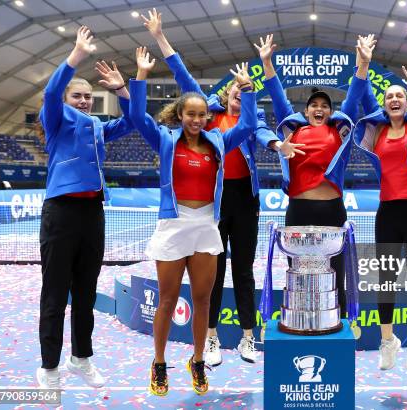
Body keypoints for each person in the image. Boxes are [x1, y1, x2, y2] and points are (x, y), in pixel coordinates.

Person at [140, 9, 291, 366]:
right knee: (215, 270)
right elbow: (183, 76)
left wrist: (275, 145)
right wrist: (161, 37)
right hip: (215, 202)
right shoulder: (205, 118)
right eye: (235, 92)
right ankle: (209, 341)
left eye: (244, 93)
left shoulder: (249, 120)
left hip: (244, 200)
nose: (238, 97)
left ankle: (248, 338)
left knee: (243, 269)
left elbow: (263, 130)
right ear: (225, 95)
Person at [128, 47, 257, 396]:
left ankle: (197, 360)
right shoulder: (166, 140)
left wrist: (247, 90)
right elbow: (138, 116)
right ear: (180, 114)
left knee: (202, 300)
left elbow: (247, 124)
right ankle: (158, 362)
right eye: (191, 114)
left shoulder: (217, 141)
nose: (197, 120)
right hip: (174, 225)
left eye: (202, 115)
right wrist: (140, 75)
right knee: (168, 300)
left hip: (205, 226)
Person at [36, 26, 134, 388]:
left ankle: (81, 358)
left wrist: (122, 90)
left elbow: (133, 120)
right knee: (55, 292)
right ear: (65, 98)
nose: (84, 101)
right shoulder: (56, 118)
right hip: (60, 214)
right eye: (77, 96)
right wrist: (76, 55)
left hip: (93, 214)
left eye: (88, 97)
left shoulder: (95, 125)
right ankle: (49, 367)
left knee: (86, 292)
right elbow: (49, 91)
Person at [254, 33, 371, 319]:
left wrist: (363, 63)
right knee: (298, 269)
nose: (319, 109)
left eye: (325, 106)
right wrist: (267, 62)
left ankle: (341, 323)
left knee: (336, 271)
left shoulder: (339, 131)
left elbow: (354, 96)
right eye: (314, 106)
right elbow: (279, 96)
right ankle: (301, 320)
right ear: (306, 111)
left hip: (332, 208)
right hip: (299, 208)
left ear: (330, 111)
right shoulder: (292, 130)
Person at [353, 25, 407, 372]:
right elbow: (365, 94)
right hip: (387, 211)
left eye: (400, 95)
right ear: (385, 105)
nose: (395, 99)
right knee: (385, 279)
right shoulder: (379, 129)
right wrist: (364, 61)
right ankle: (388, 341)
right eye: (390, 97)